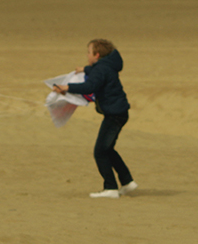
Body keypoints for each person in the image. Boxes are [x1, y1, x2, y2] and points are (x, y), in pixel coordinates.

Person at [52, 39, 136, 199]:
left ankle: (110, 188)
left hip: (115, 115)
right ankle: (127, 182)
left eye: (89, 52)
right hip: (119, 113)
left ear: (97, 55)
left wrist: (67, 87)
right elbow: (97, 72)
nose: (87, 55)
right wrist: (85, 69)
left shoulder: (101, 69)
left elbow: (89, 86)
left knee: (100, 152)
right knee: (108, 149)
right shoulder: (106, 66)